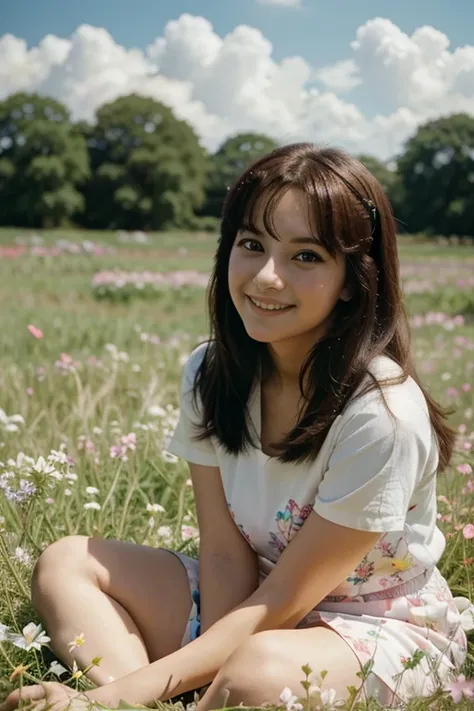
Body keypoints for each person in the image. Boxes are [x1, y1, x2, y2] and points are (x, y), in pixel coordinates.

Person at [2, 143, 472, 711]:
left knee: (255, 671)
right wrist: (198, 670)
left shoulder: (382, 415)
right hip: (256, 596)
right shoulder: (210, 373)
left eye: (305, 257)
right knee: (66, 564)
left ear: (352, 279)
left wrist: (123, 695)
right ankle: (143, 701)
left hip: (377, 625)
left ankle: (121, 700)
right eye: (252, 246)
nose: (267, 277)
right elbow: (226, 557)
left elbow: (283, 601)